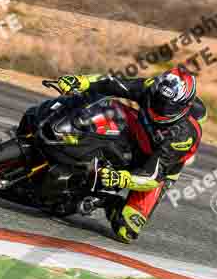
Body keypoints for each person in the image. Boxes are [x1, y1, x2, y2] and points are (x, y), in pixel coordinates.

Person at [56, 67, 206, 243]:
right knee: (108, 106)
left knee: (126, 230)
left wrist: (121, 179)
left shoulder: (183, 135)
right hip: (140, 131)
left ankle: (104, 200)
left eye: (168, 106)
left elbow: (152, 176)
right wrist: (81, 81)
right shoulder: (151, 88)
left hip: (158, 167)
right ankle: (64, 133)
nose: (160, 108)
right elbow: (114, 83)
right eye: (159, 100)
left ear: (184, 106)